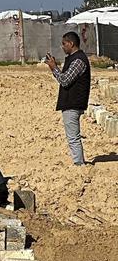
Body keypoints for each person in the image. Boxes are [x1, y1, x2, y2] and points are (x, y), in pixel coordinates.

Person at [46, 31, 91, 166]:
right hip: (71, 103)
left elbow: (65, 80)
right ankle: (78, 162)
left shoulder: (78, 60)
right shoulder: (74, 59)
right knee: (73, 136)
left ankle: (79, 163)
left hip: (73, 103)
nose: (62, 47)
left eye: (64, 44)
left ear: (71, 44)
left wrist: (54, 68)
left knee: (73, 137)